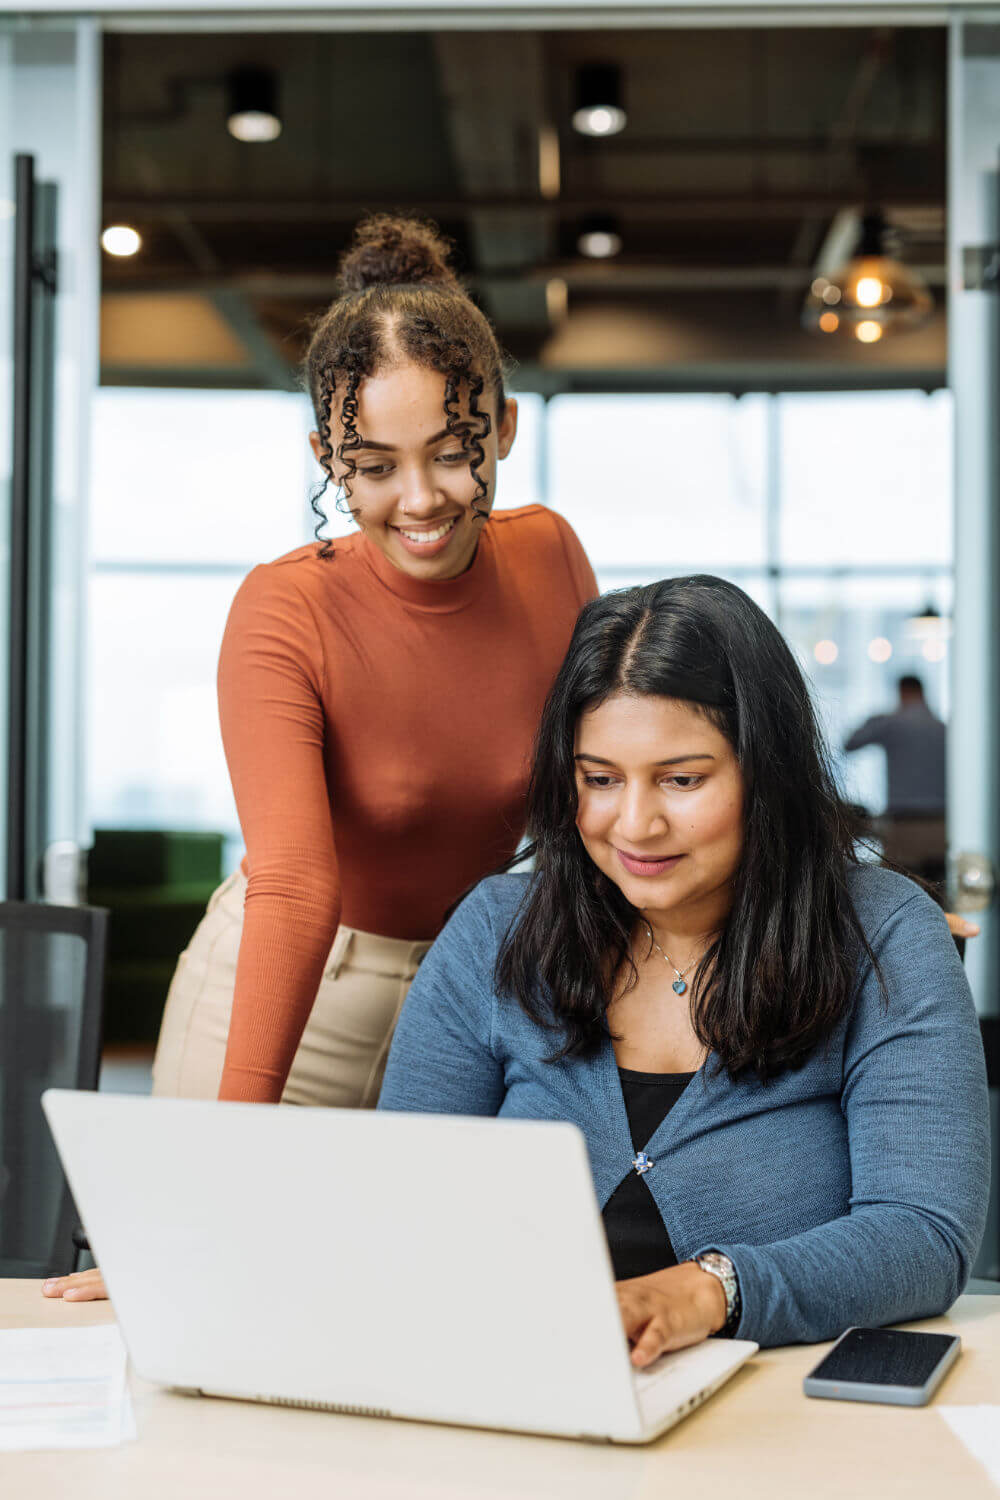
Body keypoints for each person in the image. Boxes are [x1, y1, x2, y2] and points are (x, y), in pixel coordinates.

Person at [42, 214, 597, 1302]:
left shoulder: (553, 555)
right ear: (324, 459)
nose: (422, 499)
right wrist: (219, 1176)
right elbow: (296, 882)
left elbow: (599, 798)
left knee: (411, 1305)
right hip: (289, 994)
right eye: (373, 466)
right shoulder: (283, 609)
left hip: (465, 996)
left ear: (505, 430)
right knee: (206, 1297)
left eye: (453, 451)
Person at [379, 576, 989, 1364]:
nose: (635, 824)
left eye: (682, 779)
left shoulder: (886, 932)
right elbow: (405, 1203)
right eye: (599, 779)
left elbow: (924, 1234)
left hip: (778, 1419)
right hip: (518, 1381)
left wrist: (709, 1291)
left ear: (764, 775)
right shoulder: (497, 931)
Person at [844, 674, 947, 885]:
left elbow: (850, 744)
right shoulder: (943, 728)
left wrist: (876, 718)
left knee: (901, 889)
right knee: (941, 892)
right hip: (941, 824)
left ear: (902, 692)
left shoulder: (891, 723)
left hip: (904, 826)